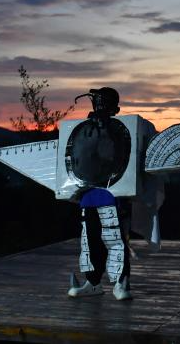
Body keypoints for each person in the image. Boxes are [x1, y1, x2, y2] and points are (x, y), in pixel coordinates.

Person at [67, 87, 133, 301]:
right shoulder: (84, 130)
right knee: (89, 241)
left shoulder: (120, 130)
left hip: (113, 193)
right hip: (88, 194)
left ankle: (120, 282)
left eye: (103, 101)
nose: (99, 105)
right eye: (97, 100)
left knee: (114, 239)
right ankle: (93, 282)